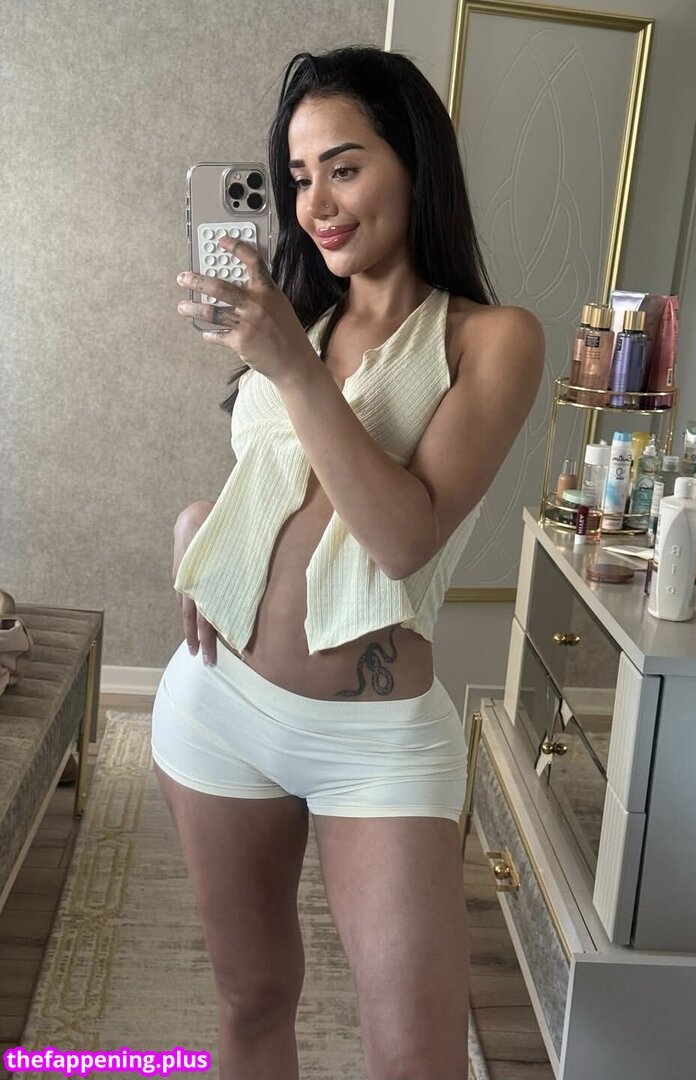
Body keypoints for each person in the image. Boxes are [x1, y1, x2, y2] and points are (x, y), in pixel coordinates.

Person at [152, 44, 544, 1080]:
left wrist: (291, 366)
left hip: (377, 742)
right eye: (296, 176)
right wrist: (199, 522)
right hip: (219, 703)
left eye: (343, 167)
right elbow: (275, 477)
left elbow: (404, 535)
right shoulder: (299, 310)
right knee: (251, 1002)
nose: (314, 204)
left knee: (418, 1057)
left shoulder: (491, 339)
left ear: (414, 164)